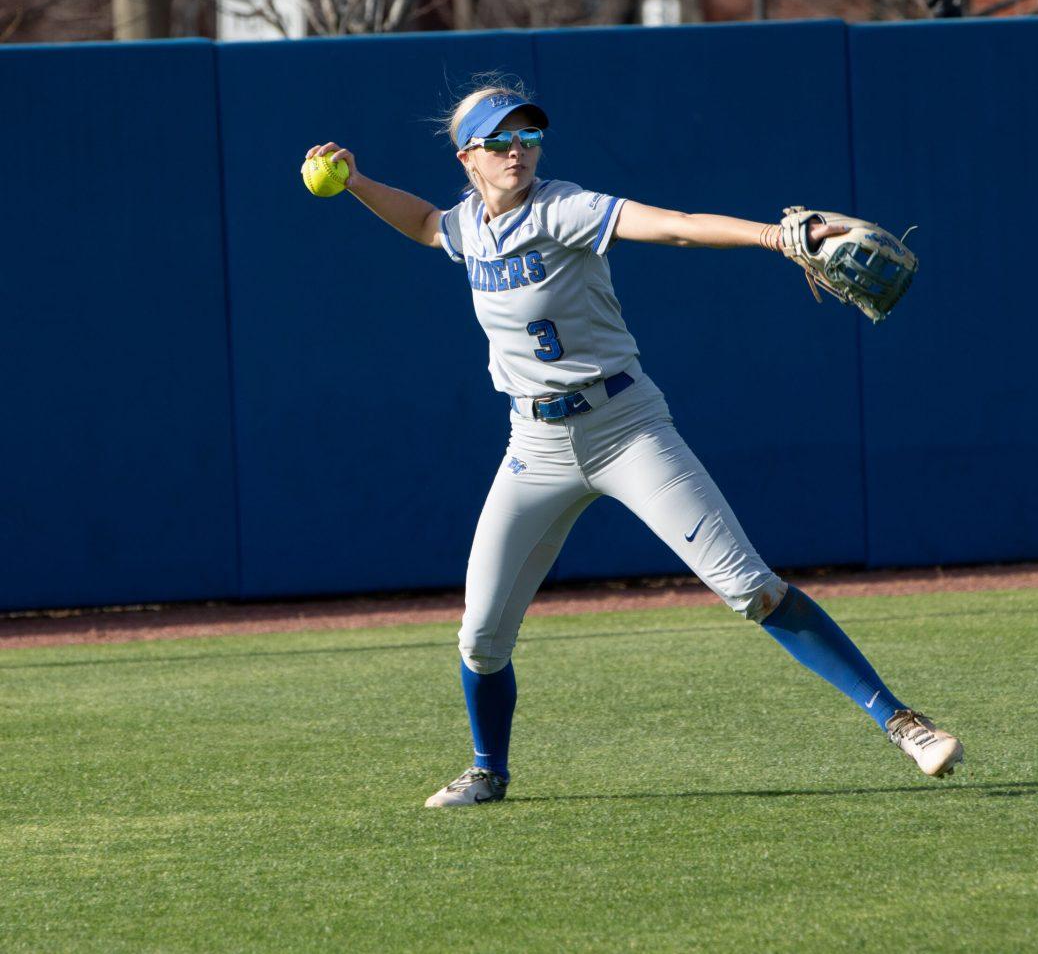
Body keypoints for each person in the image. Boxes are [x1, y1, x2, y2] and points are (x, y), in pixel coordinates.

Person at [303, 81, 963, 808]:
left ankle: (903, 722)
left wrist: (778, 237)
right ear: (469, 157)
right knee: (481, 637)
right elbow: (426, 224)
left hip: (625, 428)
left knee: (749, 586)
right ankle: (487, 770)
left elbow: (675, 225)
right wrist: (359, 182)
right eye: (498, 139)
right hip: (534, 445)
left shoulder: (565, 207)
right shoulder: (467, 226)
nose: (517, 148)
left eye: (527, 135)